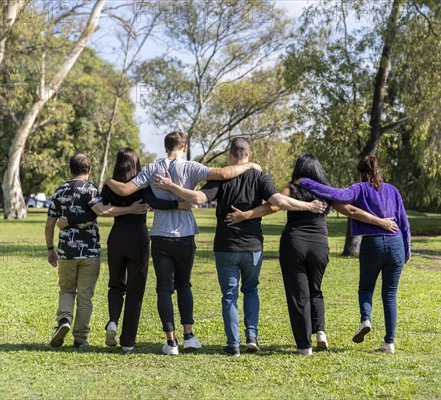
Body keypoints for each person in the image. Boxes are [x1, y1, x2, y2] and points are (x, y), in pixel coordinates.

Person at [154, 139, 328, 356]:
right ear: (249, 154)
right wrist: (309, 206)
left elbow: (198, 198)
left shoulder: (222, 178)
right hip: (253, 247)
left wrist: (172, 186)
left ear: (231, 156)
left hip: (226, 246)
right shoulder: (259, 176)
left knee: (229, 295)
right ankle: (251, 337)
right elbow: (279, 201)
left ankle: (233, 344)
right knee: (251, 290)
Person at [224, 153, 399, 355]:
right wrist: (381, 221)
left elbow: (273, 206)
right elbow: (350, 209)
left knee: (298, 295)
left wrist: (245, 215)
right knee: (315, 289)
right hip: (320, 245)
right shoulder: (327, 193)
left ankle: (304, 346)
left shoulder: (291, 188)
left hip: (294, 243)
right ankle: (321, 333)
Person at [104, 131, 262, 355]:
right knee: (184, 284)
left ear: (165, 146)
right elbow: (225, 173)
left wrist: (107, 180)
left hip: (160, 234)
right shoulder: (191, 166)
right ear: (184, 147)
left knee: (163, 289)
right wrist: (250, 165)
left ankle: (171, 342)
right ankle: (189, 336)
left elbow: (124, 189)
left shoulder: (151, 168)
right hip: (185, 234)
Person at [57, 148, 190, 352]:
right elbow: (155, 202)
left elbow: (99, 210)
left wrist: (69, 220)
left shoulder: (110, 185)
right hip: (138, 238)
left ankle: (112, 321)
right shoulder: (142, 182)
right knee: (135, 292)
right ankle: (127, 342)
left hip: (117, 237)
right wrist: (178, 203)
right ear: (136, 163)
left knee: (116, 285)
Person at [298, 156, 411, 353]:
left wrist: (305, 181)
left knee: (366, 288)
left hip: (372, 243)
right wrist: (407, 249)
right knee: (390, 295)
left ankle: (365, 319)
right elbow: (404, 221)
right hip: (397, 243)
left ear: (360, 173)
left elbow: (334, 193)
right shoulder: (392, 190)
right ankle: (389, 343)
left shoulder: (359, 188)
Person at [45, 154, 144, 349]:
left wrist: (50, 248)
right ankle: (80, 338)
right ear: (89, 170)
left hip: (66, 252)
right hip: (89, 252)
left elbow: (50, 224)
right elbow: (103, 210)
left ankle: (64, 320)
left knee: (66, 289)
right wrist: (130, 209)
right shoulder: (90, 189)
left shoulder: (60, 190)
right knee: (85, 296)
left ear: (70, 169)